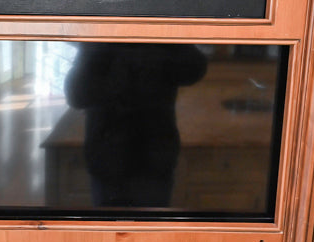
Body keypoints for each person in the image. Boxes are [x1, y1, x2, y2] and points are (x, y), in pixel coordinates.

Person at [64, 42, 207, 208]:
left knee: (142, 227)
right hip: (118, 157)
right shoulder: (105, 40)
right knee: (118, 227)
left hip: (145, 156)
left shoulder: (156, 36)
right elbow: (77, 95)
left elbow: (194, 69)